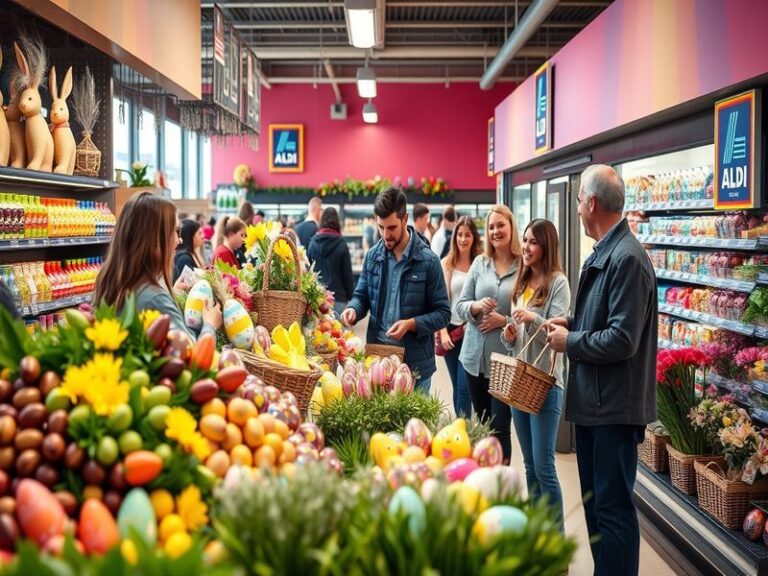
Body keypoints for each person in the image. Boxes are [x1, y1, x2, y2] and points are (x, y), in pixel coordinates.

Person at [545, 164, 657, 576]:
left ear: (591, 202)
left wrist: (569, 343)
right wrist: (570, 325)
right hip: (596, 405)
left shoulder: (626, 259)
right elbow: (605, 322)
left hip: (613, 409)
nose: (576, 209)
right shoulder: (608, 253)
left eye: (578, 200)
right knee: (597, 510)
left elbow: (622, 340)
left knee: (612, 514)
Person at [341, 187, 450, 394]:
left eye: (391, 227)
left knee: (413, 425)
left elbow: (443, 314)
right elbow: (361, 294)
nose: (385, 235)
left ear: (405, 219)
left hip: (415, 364)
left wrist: (412, 324)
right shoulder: (373, 256)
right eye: (381, 227)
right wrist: (354, 309)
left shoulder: (428, 261)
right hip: (378, 362)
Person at [501, 218, 570, 529]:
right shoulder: (521, 280)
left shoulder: (558, 283)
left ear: (546, 246)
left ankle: (556, 541)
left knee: (544, 466)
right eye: (525, 240)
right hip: (519, 381)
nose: (525, 247)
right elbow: (512, 334)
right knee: (529, 465)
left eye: (532, 242)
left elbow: (558, 330)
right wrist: (510, 334)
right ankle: (537, 532)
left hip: (545, 382)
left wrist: (532, 317)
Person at [93, 192, 222, 342]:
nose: (179, 240)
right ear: (155, 239)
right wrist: (210, 325)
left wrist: (173, 292)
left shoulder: (108, 281)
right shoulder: (156, 299)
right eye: (176, 231)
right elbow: (195, 359)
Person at [455, 205, 521, 463]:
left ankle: (503, 481)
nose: (495, 231)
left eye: (500, 225)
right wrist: (475, 306)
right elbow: (460, 306)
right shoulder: (479, 264)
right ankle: (485, 479)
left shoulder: (523, 265)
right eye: (491, 227)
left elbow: (530, 310)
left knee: (501, 426)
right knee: (482, 425)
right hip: (474, 359)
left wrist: (502, 320)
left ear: (511, 227)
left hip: (505, 361)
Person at [438, 216, 481, 418]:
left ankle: (464, 431)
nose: (463, 239)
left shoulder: (480, 263)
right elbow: (437, 302)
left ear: (474, 237)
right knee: (457, 385)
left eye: (467, 235)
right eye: (460, 235)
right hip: (450, 333)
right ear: (454, 236)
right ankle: (461, 428)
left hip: (471, 331)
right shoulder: (446, 264)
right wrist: (442, 332)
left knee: (465, 387)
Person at [308, 207, 355, 317]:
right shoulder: (342, 244)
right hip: (339, 299)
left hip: (318, 300)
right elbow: (347, 274)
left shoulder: (313, 243)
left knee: (320, 333)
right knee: (341, 333)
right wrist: (352, 298)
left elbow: (310, 271)